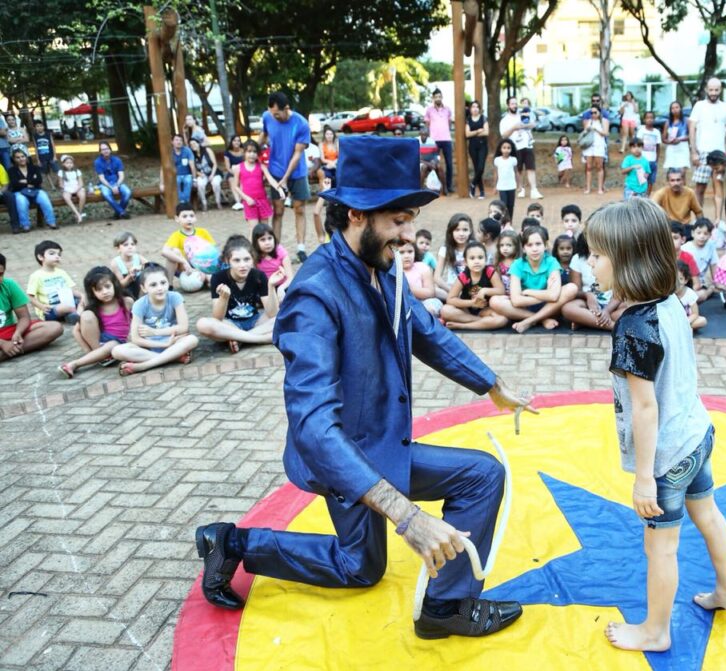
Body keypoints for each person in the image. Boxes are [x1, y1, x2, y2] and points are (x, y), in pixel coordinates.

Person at [194, 135, 532, 641]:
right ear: (355, 214)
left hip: (382, 445)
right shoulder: (313, 296)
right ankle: (234, 544)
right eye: (397, 220)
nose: (409, 234)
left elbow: (426, 330)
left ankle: (446, 608)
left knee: (480, 476)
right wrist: (406, 515)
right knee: (361, 568)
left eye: (409, 219)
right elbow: (314, 428)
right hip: (342, 460)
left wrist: (491, 384)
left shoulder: (384, 266)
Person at [584, 199, 726, 653]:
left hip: (667, 456)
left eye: (596, 255)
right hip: (697, 435)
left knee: (661, 548)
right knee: (708, 514)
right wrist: (618, 300)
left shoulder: (634, 330)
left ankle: (655, 630)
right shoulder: (668, 299)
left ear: (628, 263)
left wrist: (644, 478)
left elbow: (644, 408)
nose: (589, 262)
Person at [488, 224, 578, 333]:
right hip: (524, 308)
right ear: (524, 248)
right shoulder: (517, 264)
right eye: (530, 245)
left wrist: (527, 291)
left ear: (545, 246)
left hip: (550, 307)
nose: (534, 249)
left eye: (538, 244)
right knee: (495, 301)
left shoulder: (551, 262)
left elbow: (554, 297)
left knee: (572, 288)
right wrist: (547, 294)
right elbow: (516, 301)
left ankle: (528, 321)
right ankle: (541, 319)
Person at [112, 264, 199, 375]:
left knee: (192, 339)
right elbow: (136, 339)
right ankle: (174, 358)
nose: (160, 288)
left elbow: (183, 327)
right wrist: (164, 345)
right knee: (117, 351)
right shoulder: (139, 305)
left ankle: (143, 366)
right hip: (149, 346)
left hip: (174, 342)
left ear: (168, 282)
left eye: (163, 283)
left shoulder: (175, 297)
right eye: (153, 285)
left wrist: (155, 332)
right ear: (144, 288)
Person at [196, 236, 279, 352]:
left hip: (255, 322)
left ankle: (240, 339)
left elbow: (272, 314)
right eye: (236, 260)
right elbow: (217, 317)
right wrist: (223, 298)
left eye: (247, 259)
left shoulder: (259, 276)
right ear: (227, 260)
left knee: (281, 318)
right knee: (202, 324)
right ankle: (262, 339)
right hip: (229, 325)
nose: (243, 265)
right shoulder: (218, 277)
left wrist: (271, 286)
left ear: (253, 259)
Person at [259, 92, 312, 261]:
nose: (273, 117)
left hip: (297, 172)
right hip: (275, 170)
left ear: (286, 109)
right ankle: (274, 249)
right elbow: (264, 135)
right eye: (271, 113)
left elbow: (297, 155)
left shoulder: (301, 124)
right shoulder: (267, 117)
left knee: (299, 209)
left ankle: (301, 248)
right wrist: (251, 150)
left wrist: (285, 178)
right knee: (278, 211)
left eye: (277, 114)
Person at [59, 266, 133, 378]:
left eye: (107, 287)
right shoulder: (94, 308)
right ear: (92, 292)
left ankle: (75, 364)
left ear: (114, 284)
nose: (105, 292)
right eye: (99, 289)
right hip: (100, 343)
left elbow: (135, 322)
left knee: (113, 344)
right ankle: (99, 356)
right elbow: (76, 331)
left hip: (121, 343)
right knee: (86, 315)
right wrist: (89, 352)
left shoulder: (126, 302)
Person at [0, 252, 63, 362]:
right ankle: (9, 350)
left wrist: (18, 332)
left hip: (8, 331)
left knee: (54, 328)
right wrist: (2, 343)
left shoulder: (9, 285)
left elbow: (24, 317)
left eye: (0, 274)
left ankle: (7, 352)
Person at [561, 229, 621, 331]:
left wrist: (606, 310)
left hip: (613, 305)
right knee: (567, 309)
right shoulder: (577, 259)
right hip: (588, 305)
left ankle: (586, 321)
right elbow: (576, 290)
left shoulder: (614, 258)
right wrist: (588, 295)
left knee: (626, 311)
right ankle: (613, 327)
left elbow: (620, 293)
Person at [440, 241, 508, 330]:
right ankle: (483, 322)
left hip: (485, 310)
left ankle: (463, 326)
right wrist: (472, 303)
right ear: (465, 262)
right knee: (445, 310)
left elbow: (501, 290)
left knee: (503, 319)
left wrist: (484, 290)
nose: (476, 261)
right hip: (466, 310)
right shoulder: (463, 276)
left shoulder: (489, 272)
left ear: (486, 259)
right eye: (472, 258)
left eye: (480, 258)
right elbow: (450, 299)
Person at [688, 77, 726, 208]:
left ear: (720, 90)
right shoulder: (699, 105)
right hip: (702, 152)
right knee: (700, 189)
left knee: (718, 189)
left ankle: (717, 221)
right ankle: (699, 220)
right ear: (706, 89)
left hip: (720, 154)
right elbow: (692, 128)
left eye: (716, 90)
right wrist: (693, 151)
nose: (713, 93)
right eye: (711, 90)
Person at [162, 203, 217, 286]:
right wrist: (184, 262)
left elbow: (213, 252)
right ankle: (169, 285)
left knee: (212, 282)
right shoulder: (176, 235)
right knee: (174, 251)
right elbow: (164, 251)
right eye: (184, 216)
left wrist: (202, 270)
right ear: (177, 219)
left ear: (195, 218)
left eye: (191, 216)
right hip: (184, 268)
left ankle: (206, 280)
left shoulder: (203, 232)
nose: (189, 219)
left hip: (202, 265)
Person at [27, 240, 82, 323]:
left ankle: (71, 315)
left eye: (59, 254)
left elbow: (71, 290)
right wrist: (41, 306)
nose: (57, 256)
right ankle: (77, 314)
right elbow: (30, 296)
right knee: (65, 307)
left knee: (84, 299)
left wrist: (83, 296)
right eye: (52, 253)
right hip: (50, 310)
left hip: (66, 303)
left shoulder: (62, 272)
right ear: (40, 257)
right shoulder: (36, 276)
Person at [499, 97, 542, 200]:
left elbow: (533, 124)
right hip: (515, 147)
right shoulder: (505, 120)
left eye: (515, 103)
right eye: (512, 104)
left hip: (527, 145)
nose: (515, 106)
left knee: (531, 167)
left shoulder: (522, 115)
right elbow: (504, 135)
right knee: (518, 169)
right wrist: (514, 128)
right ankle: (521, 188)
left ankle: (534, 190)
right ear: (508, 105)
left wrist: (525, 125)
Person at [9, 148, 58, 231]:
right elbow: (15, 184)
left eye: (23, 156)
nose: (21, 159)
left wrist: (24, 181)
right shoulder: (12, 170)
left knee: (44, 198)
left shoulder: (34, 168)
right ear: (14, 159)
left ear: (26, 157)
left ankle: (51, 222)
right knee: (21, 201)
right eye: (18, 157)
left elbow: (39, 180)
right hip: (20, 192)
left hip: (35, 190)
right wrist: (31, 181)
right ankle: (25, 225)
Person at [232, 140, 275, 228]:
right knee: (254, 229)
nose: (252, 154)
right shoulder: (239, 168)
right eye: (249, 151)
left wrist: (279, 188)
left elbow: (270, 179)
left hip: (262, 200)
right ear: (244, 153)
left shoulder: (261, 167)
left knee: (265, 228)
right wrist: (246, 198)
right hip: (249, 203)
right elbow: (236, 187)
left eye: (255, 152)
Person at [434, 213, 474, 300]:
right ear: (451, 231)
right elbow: (437, 277)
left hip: (471, 289)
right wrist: (453, 290)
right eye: (457, 230)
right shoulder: (445, 249)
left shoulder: (475, 247)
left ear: (470, 231)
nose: (461, 234)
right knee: (433, 290)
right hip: (451, 288)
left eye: (465, 230)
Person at [397, 241, 442, 317]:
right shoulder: (393, 270)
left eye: (410, 251)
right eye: (401, 252)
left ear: (415, 252)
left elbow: (430, 293)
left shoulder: (422, 267)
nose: (407, 256)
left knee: (430, 308)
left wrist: (406, 287)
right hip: (403, 305)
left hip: (424, 302)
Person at [253, 222, 294, 300]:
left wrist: (281, 288)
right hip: (265, 287)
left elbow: (290, 278)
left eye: (270, 238)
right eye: (263, 240)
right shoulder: (253, 256)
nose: (267, 243)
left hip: (282, 284)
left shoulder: (281, 252)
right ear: (256, 242)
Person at [425, 89, 455, 195]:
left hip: (446, 139)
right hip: (434, 141)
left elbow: (450, 122)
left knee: (449, 163)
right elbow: (427, 125)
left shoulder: (448, 110)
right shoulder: (429, 110)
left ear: (442, 97)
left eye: (439, 96)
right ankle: (436, 186)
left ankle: (449, 186)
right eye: (436, 97)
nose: (438, 98)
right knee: (434, 163)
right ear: (433, 98)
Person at [682, 219, 719, 302]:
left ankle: (710, 290)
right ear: (693, 233)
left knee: (700, 295)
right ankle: (710, 290)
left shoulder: (711, 246)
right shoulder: (685, 248)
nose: (702, 236)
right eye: (699, 233)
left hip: (701, 282)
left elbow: (714, 265)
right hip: (686, 282)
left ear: (710, 235)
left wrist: (716, 282)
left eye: (706, 233)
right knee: (691, 297)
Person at [93, 141, 131, 220]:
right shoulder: (97, 162)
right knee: (106, 194)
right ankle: (122, 212)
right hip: (105, 184)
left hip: (117, 182)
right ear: (100, 152)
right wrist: (111, 187)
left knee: (127, 192)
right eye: (103, 149)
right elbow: (102, 178)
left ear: (110, 149)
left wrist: (117, 185)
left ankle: (117, 213)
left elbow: (121, 175)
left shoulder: (117, 160)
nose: (105, 151)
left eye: (107, 148)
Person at [110, 231, 149, 300]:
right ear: (118, 249)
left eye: (132, 244)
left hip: (140, 289)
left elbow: (151, 266)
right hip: (125, 290)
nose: (130, 247)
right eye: (126, 245)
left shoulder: (138, 258)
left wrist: (140, 267)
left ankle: (141, 301)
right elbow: (121, 284)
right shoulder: (115, 263)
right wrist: (129, 277)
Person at [582, 105, 609, 195]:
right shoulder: (588, 121)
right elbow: (584, 133)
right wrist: (588, 130)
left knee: (599, 166)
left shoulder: (604, 121)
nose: (593, 114)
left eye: (595, 112)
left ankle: (600, 188)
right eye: (591, 113)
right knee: (588, 167)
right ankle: (588, 188)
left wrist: (596, 129)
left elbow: (605, 133)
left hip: (599, 145)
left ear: (599, 113)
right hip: (589, 145)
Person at [190, 138, 223, 211]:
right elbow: (193, 168)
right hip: (202, 174)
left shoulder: (207, 150)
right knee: (200, 184)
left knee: (216, 183)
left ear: (198, 143)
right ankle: (204, 203)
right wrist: (199, 173)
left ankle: (218, 202)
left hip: (214, 172)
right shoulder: (192, 155)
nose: (193, 146)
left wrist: (212, 174)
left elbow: (215, 164)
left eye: (194, 143)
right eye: (191, 145)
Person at [662, 101, 690, 183]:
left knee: (682, 173)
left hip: (682, 148)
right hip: (672, 149)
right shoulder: (668, 122)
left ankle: (683, 193)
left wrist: (680, 139)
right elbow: (664, 139)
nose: (675, 110)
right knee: (671, 173)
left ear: (681, 108)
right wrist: (670, 142)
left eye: (677, 107)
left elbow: (690, 136)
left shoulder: (687, 121)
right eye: (672, 108)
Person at [466, 101, 489, 199]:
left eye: (477, 107)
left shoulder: (483, 118)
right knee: (476, 169)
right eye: (473, 107)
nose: (475, 109)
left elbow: (486, 132)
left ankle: (473, 184)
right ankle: (482, 191)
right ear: (470, 109)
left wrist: (473, 133)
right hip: (472, 147)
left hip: (483, 146)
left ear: (479, 109)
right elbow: (467, 134)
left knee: (480, 168)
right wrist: (478, 131)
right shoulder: (468, 120)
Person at [492, 139, 518, 220]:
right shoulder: (497, 160)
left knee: (511, 205)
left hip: (511, 186)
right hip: (502, 186)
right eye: (504, 147)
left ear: (511, 149)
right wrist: (495, 186)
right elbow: (496, 174)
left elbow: (516, 173)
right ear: (500, 149)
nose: (506, 150)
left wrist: (519, 185)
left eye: (508, 148)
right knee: (504, 204)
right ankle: (504, 220)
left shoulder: (513, 160)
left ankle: (510, 220)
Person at [57, 155, 87, 224]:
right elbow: (61, 184)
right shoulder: (61, 172)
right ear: (63, 164)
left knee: (82, 195)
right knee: (66, 197)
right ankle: (77, 214)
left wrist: (77, 189)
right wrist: (66, 189)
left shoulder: (77, 171)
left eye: (71, 163)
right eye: (67, 163)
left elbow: (81, 183)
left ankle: (80, 212)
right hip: (67, 188)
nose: (69, 165)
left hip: (76, 187)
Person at [418, 128, 446, 196]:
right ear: (420, 134)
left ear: (428, 135)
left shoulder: (432, 141)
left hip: (430, 162)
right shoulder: (416, 141)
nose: (424, 136)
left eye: (426, 135)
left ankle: (444, 189)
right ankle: (420, 189)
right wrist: (428, 163)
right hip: (421, 162)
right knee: (424, 167)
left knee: (439, 167)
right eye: (422, 135)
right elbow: (416, 157)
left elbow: (435, 155)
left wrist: (434, 161)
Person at [639, 111, 661, 194]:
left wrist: (656, 159)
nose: (649, 120)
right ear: (644, 119)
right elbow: (638, 144)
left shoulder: (657, 132)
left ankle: (647, 196)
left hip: (652, 160)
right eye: (647, 118)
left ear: (654, 119)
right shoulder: (641, 131)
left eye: (651, 118)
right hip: (643, 160)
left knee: (651, 180)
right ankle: (641, 195)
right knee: (642, 179)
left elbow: (658, 147)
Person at [170, 133, 197, 205]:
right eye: (176, 140)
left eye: (180, 140)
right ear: (172, 142)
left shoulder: (187, 150)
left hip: (187, 174)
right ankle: (182, 202)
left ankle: (186, 202)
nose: (179, 142)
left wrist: (194, 179)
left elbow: (192, 166)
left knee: (188, 181)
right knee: (176, 181)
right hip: (176, 175)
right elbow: (163, 168)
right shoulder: (170, 152)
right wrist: (162, 183)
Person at [32, 120, 58, 189]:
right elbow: (36, 148)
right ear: (35, 127)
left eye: (41, 126)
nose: (39, 127)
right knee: (46, 172)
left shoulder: (48, 134)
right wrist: (38, 160)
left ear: (43, 127)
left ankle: (57, 182)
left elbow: (53, 145)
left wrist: (55, 156)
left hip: (51, 155)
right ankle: (52, 185)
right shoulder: (35, 136)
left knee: (56, 170)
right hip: (42, 157)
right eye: (37, 126)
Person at [223, 134, 246, 210]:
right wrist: (235, 173)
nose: (236, 142)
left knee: (243, 180)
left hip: (243, 171)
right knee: (232, 180)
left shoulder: (244, 151)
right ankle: (238, 201)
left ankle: (241, 200)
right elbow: (228, 167)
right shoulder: (227, 153)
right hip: (232, 172)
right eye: (234, 140)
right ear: (231, 142)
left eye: (238, 141)